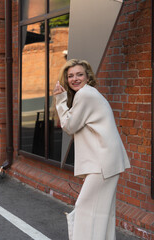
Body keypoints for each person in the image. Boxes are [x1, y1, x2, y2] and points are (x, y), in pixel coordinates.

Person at [53, 59, 130, 240]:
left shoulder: (85, 95)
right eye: (70, 76)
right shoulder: (89, 94)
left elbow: (69, 126)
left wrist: (60, 100)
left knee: (85, 211)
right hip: (106, 161)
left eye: (79, 74)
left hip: (102, 163)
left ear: (88, 76)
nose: (75, 79)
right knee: (102, 214)